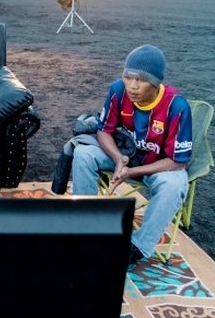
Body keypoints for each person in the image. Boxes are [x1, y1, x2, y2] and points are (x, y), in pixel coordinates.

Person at [71, 44, 192, 266]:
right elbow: (104, 131)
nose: (133, 86)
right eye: (129, 77)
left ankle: (136, 247)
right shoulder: (118, 90)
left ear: (155, 83)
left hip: (159, 165)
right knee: (83, 153)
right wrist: (118, 158)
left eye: (141, 80)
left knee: (174, 186)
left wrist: (132, 171)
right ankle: (84, 225)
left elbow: (178, 162)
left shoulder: (177, 106)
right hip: (126, 156)